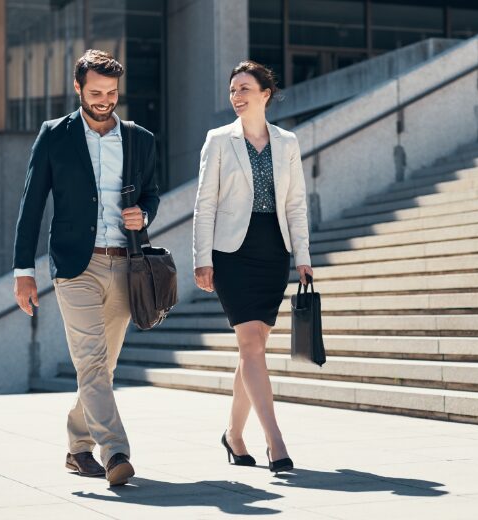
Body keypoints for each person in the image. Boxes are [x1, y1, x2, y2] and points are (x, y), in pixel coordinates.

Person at [12, 49, 159, 487]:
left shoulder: (139, 139)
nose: (104, 100)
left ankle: (77, 448)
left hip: (125, 264)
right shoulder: (54, 135)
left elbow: (151, 192)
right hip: (75, 265)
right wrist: (24, 270)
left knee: (102, 367)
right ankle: (115, 451)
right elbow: (31, 204)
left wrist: (144, 214)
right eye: (95, 92)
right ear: (78, 88)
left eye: (111, 92)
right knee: (91, 362)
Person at [192, 60, 313, 474]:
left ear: (265, 93)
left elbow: (296, 202)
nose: (237, 96)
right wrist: (201, 259)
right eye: (232, 91)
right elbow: (204, 203)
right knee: (251, 345)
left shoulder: (287, 142)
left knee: (254, 349)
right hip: (232, 255)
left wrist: (303, 256)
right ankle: (275, 442)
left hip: (273, 251)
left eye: (245, 88)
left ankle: (233, 435)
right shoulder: (218, 140)